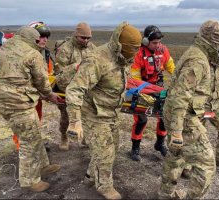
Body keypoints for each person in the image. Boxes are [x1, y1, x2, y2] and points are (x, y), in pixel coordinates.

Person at [65, 22, 142, 199]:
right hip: (94, 113)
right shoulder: (97, 60)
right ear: (119, 45)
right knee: (105, 152)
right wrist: (75, 121)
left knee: (111, 147)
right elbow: (75, 89)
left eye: (136, 50)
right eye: (131, 49)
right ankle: (104, 186)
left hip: (112, 113)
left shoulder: (123, 58)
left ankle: (91, 176)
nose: (134, 54)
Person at [158, 19, 219, 199]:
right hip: (185, 119)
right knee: (207, 164)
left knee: (176, 156)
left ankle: (165, 194)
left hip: (180, 115)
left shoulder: (198, 54)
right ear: (212, 38)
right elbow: (181, 96)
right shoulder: (198, 60)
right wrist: (178, 131)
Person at [0, 26, 61, 192]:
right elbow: (42, 82)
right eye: (37, 40)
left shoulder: (5, 49)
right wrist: (50, 95)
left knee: (34, 133)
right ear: (32, 39)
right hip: (19, 104)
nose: (40, 43)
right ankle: (30, 180)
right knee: (29, 141)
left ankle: (43, 165)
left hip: (3, 101)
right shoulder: (32, 54)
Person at [129, 25, 175, 161]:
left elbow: (171, 67)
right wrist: (147, 90)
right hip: (141, 89)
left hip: (158, 89)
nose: (158, 45)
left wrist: (180, 78)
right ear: (145, 41)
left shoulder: (163, 51)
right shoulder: (138, 54)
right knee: (141, 119)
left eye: (159, 42)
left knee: (163, 117)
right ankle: (135, 148)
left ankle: (160, 144)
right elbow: (135, 77)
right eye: (155, 43)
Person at [54, 22, 96, 150]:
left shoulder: (92, 48)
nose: (86, 40)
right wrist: (76, 67)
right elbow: (60, 76)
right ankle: (64, 137)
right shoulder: (65, 50)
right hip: (67, 88)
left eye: (89, 38)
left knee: (87, 116)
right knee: (67, 116)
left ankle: (84, 137)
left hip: (86, 89)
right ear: (76, 35)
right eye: (83, 38)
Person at [28, 21, 55, 151]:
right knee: (25, 124)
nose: (44, 40)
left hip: (37, 96)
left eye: (46, 37)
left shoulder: (44, 53)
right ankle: (24, 148)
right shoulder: (23, 54)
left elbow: (47, 73)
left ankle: (36, 145)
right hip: (24, 97)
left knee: (37, 119)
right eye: (41, 36)